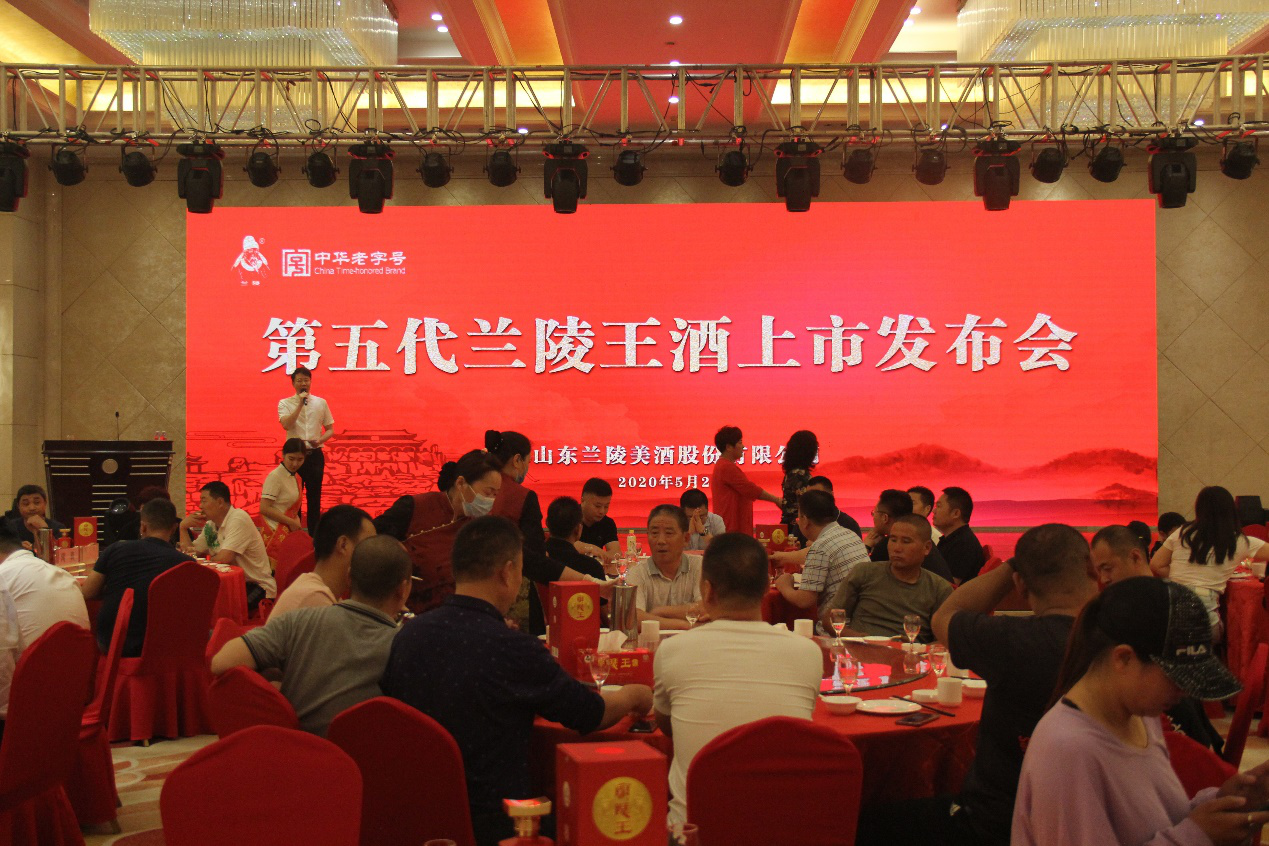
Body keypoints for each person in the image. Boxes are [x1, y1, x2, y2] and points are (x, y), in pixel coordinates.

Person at [381, 516, 653, 846]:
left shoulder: (408, 636)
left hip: (415, 816)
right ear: (508, 572)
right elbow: (589, 714)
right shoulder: (511, 648)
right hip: (500, 821)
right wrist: (635, 695)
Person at [858, 523, 1099, 846]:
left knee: (865, 822)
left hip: (994, 824)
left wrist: (1012, 566)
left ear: (1020, 585)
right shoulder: (1119, 643)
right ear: (1092, 569)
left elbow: (945, 616)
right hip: (1086, 823)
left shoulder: (1010, 640)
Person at [1012, 577, 1269, 846]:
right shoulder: (1068, 751)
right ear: (1123, 658)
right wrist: (1198, 836)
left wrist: (1223, 803)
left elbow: (1159, 822)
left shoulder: (1141, 716)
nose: (1185, 692)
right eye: (1175, 678)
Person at [654, 532, 823, 826]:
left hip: (694, 834)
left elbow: (667, 726)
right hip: (783, 830)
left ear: (707, 591)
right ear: (765, 590)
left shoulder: (671, 650)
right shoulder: (808, 652)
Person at [211, 535, 410, 737]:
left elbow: (222, 661)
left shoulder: (300, 620)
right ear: (403, 590)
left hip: (294, 748)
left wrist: (278, 684)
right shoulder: (405, 648)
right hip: (360, 754)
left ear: (349, 577)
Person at [1093, 525, 1225, 751]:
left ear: (1135, 557)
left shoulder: (1156, 607)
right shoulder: (1150, 600)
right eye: (1099, 571)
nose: (1104, 578)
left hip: (1173, 731)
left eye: (1108, 568)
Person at [488, 431, 607, 634]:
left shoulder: (476, 492)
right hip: (513, 596)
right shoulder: (522, 497)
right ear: (517, 460)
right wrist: (590, 581)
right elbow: (535, 559)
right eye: (528, 461)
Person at [374, 449, 503, 615]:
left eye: (495, 495)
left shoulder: (478, 528)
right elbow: (371, 544)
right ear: (461, 483)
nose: (490, 500)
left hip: (456, 616)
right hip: (404, 614)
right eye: (487, 493)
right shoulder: (415, 507)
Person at [1151, 485, 1269, 639]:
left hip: (1169, 619)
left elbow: (1156, 565)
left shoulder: (1182, 533)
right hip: (1205, 622)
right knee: (1228, 632)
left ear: (1198, 509)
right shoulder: (1240, 541)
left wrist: (1180, 579)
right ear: (1232, 510)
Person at [81, 498, 193, 656]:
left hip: (113, 643)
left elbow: (88, 592)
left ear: (143, 526)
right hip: (164, 646)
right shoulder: (187, 564)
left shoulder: (115, 549)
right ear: (174, 528)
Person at [823, 515, 953, 641]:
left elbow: (945, 640)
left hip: (910, 652)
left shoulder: (939, 588)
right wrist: (860, 639)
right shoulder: (864, 572)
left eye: (906, 542)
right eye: (893, 540)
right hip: (862, 649)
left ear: (927, 547)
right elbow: (829, 619)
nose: (897, 548)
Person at [773, 489, 869, 625]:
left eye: (798, 518)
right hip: (861, 620)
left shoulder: (820, 547)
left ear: (805, 520)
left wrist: (784, 585)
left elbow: (804, 600)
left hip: (837, 626)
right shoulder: (849, 535)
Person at [180, 481, 275, 612]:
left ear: (220, 502)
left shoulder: (238, 518)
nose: (200, 506)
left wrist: (202, 561)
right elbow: (190, 553)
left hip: (257, 586)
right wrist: (183, 528)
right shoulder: (211, 525)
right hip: (230, 585)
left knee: (219, 609)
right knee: (195, 602)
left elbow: (225, 558)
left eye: (204, 501)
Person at [270, 504, 375, 618]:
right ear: (343, 545)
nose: (374, 556)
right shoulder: (314, 598)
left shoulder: (322, 593)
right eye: (368, 546)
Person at [278, 365, 335, 531]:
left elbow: (330, 429)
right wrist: (299, 405)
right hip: (294, 457)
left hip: (314, 455)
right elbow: (286, 425)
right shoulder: (285, 403)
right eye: (299, 380)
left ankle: (314, 535)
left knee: (314, 497)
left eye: (306, 380)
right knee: (293, 497)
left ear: (310, 382)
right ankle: (294, 533)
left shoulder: (321, 403)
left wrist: (320, 440)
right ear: (293, 383)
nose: (303, 383)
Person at [626, 505, 702, 629]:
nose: (661, 541)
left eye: (669, 533)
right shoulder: (637, 572)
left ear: (686, 538)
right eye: (654, 533)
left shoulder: (699, 566)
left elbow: (707, 608)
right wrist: (685, 625)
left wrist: (660, 611)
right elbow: (633, 618)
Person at [709, 426, 782, 537]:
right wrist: (775, 500)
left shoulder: (723, 466)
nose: (743, 446)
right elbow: (750, 489)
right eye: (740, 442)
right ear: (728, 447)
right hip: (732, 530)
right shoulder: (726, 467)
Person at [259, 437, 306, 569]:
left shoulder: (296, 477)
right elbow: (264, 508)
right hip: (274, 531)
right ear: (283, 455)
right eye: (291, 458)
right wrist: (291, 522)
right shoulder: (275, 476)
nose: (295, 464)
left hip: (288, 530)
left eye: (300, 459)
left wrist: (294, 522)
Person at [934, 486, 985, 584]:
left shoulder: (964, 544)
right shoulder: (952, 539)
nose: (934, 511)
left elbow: (950, 586)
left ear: (956, 513)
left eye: (939, 506)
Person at [3, 484, 67, 554]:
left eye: (37, 503)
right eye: (26, 504)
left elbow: (60, 554)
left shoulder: (59, 528)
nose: (32, 508)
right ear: (18, 506)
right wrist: (16, 549)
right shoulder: (9, 527)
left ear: (45, 503)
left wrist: (44, 529)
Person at [779, 430, 819, 541]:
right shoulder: (800, 475)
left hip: (789, 526)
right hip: (799, 529)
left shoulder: (791, 473)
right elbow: (808, 506)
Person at [577, 478, 619, 561]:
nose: (602, 511)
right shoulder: (568, 516)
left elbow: (616, 553)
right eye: (597, 506)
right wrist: (591, 549)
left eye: (606, 506)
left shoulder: (607, 523)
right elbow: (564, 545)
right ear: (583, 501)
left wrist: (602, 555)